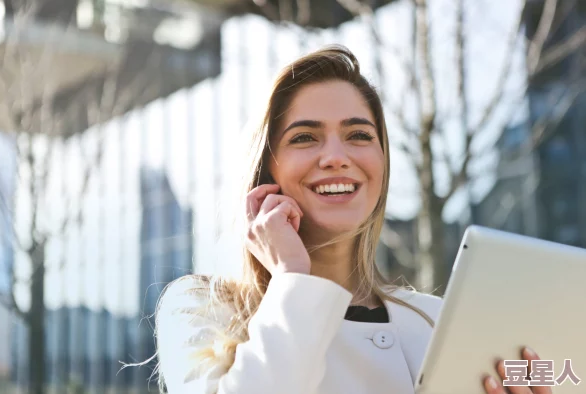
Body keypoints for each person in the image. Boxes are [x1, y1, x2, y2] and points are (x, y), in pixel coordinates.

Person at [154, 46, 550, 394]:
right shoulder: (199, 309)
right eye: (305, 137)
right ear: (267, 171)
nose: (336, 156)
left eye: (358, 135)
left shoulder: (437, 320)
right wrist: (294, 278)